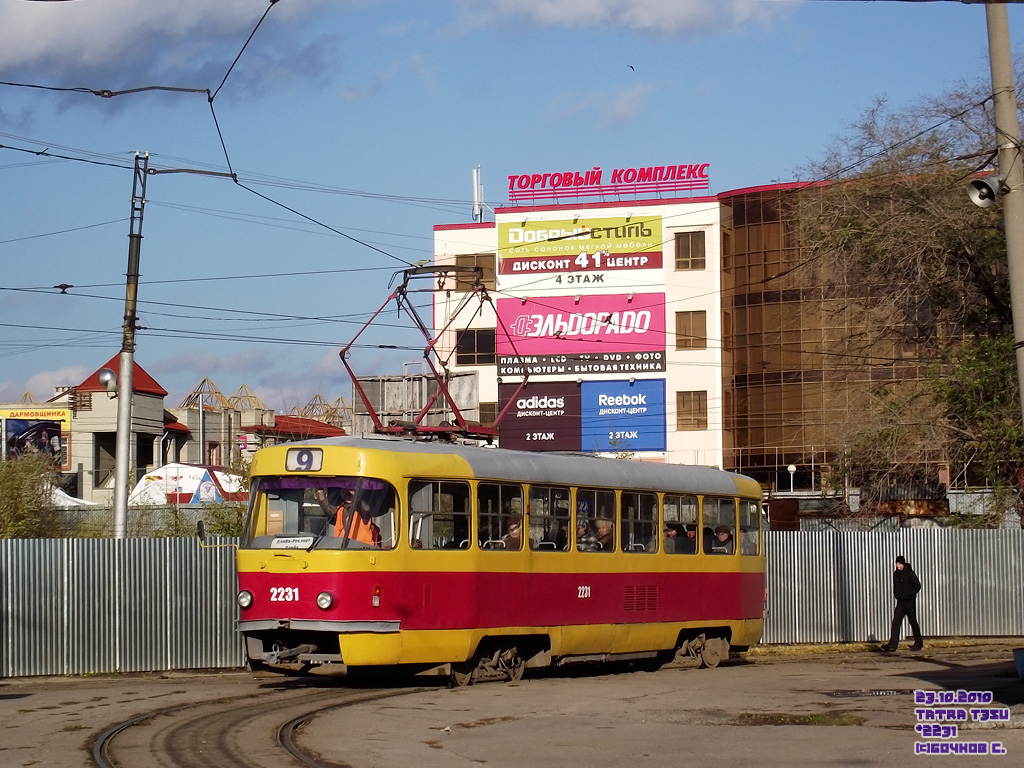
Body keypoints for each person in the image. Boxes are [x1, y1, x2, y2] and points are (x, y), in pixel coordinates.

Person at [882, 555, 923, 651]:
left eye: (899, 564)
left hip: (909, 602)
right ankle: (892, 645)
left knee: (913, 622)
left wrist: (909, 594)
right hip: (900, 602)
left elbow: (917, 585)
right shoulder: (896, 574)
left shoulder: (909, 573)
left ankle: (919, 643)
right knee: (896, 622)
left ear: (903, 564)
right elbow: (895, 586)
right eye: (897, 564)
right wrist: (897, 594)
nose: (897, 566)